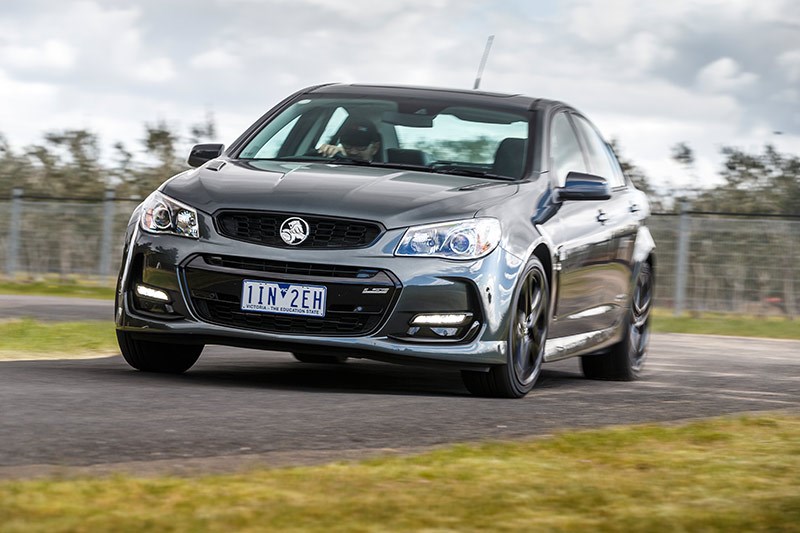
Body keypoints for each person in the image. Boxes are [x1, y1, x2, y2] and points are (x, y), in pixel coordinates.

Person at [317, 117, 381, 161]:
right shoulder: (336, 161)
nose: (353, 152)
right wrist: (327, 152)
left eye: (360, 146)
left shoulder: (382, 170)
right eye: (347, 145)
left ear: (375, 148)